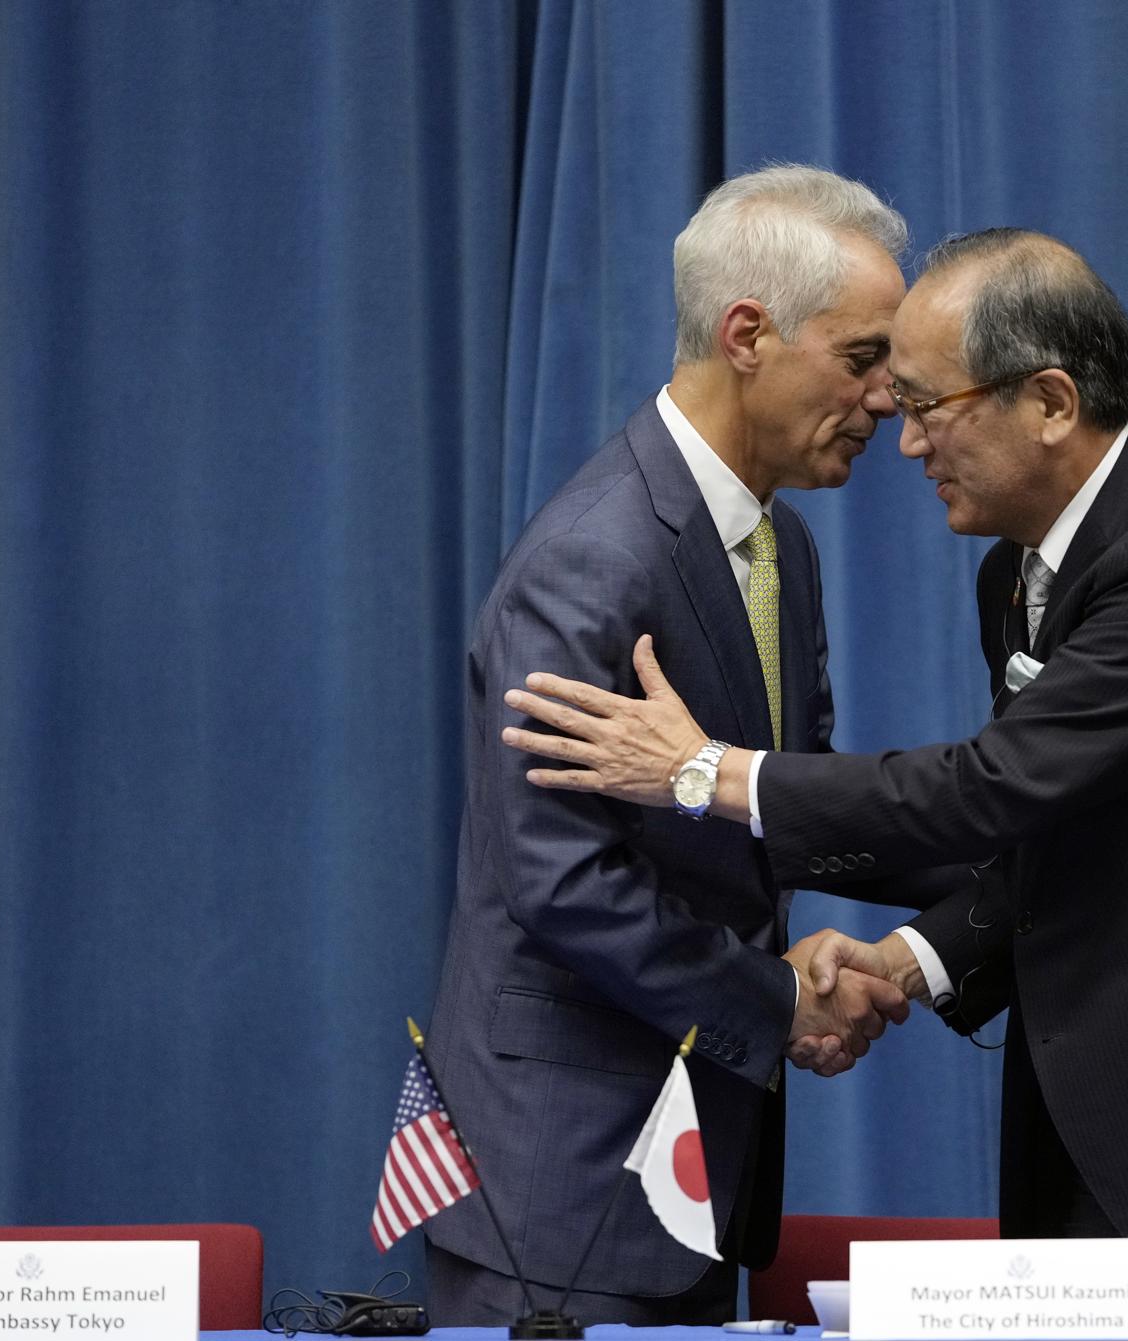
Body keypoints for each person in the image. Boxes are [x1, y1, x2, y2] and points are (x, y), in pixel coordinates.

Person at [503, 229, 1128, 1315]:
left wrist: (707, 774)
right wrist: (907, 960)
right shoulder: (1017, 577)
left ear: (1047, 401)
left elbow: (992, 787)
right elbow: (1045, 835)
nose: (905, 441)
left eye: (929, 403)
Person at [421, 166, 942, 1328]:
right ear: (746, 334)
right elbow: (560, 881)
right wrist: (773, 996)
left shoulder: (780, 549)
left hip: (693, 1163)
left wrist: (981, 883)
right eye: (864, 360)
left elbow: (766, 817)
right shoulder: (593, 561)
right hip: (565, 1188)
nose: (891, 401)